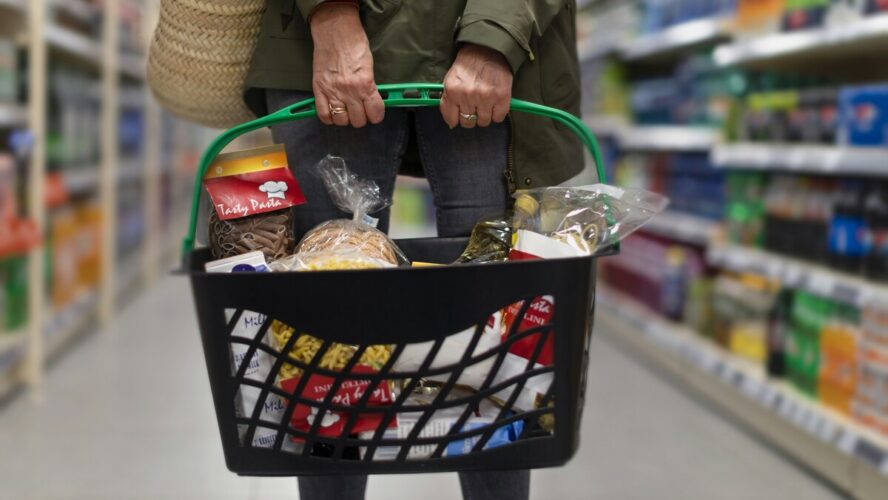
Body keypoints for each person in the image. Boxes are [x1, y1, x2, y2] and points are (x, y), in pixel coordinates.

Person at [242, 1, 583, 499]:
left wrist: (494, 34)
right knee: (322, 312)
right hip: (316, 42)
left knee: (499, 314)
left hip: (486, 42)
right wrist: (330, 14)